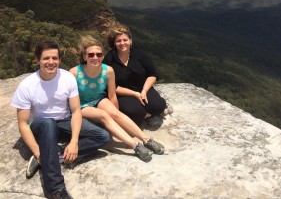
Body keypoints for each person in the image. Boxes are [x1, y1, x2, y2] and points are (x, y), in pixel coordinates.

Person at [11, 40, 111, 199]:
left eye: (54, 58)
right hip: (40, 125)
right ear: (37, 60)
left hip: (64, 121)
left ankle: (53, 153)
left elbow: (76, 111)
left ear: (59, 59)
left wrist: (74, 142)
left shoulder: (67, 78)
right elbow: (23, 124)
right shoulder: (27, 85)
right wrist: (38, 153)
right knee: (48, 122)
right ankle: (55, 189)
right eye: (46, 58)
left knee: (103, 136)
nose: (51, 62)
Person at [69, 35, 164, 162]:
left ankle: (146, 139)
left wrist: (117, 116)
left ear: (102, 56)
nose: (95, 58)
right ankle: (135, 146)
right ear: (84, 56)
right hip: (82, 104)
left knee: (114, 113)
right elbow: (70, 98)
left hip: (99, 99)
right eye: (91, 55)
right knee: (104, 115)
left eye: (99, 54)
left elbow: (112, 94)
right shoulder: (74, 72)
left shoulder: (107, 70)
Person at [103, 23, 173, 126]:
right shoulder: (109, 59)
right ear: (114, 43)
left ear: (130, 41)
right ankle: (144, 114)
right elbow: (111, 86)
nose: (122, 43)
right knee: (136, 112)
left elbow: (152, 74)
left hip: (142, 88)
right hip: (123, 93)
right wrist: (134, 94)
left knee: (157, 106)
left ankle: (153, 109)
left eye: (125, 40)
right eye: (118, 41)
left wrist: (144, 91)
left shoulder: (139, 54)